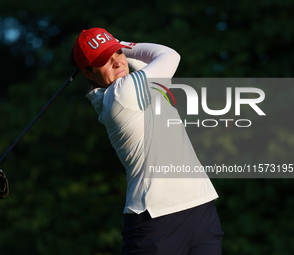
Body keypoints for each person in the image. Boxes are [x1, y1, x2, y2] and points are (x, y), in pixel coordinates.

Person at [71, 27, 223, 255]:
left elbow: (150, 61)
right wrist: (123, 44)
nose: (117, 63)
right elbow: (169, 55)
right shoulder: (120, 94)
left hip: (200, 208)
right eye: (104, 60)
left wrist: (114, 45)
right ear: (88, 73)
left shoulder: (135, 83)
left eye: (118, 54)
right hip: (156, 222)